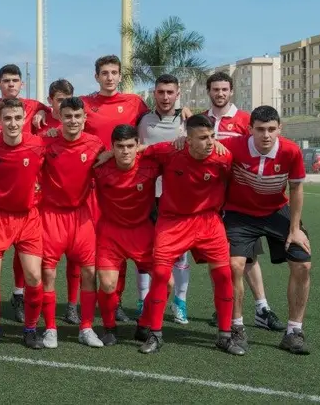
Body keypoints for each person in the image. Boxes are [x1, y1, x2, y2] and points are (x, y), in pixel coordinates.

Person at [138, 114, 244, 355]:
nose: (209, 142)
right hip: (172, 221)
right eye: (203, 137)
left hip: (208, 221)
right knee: (161, 275)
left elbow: (229, 181)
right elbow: (139, 151)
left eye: (212, 136)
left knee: (224, 276)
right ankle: (155, 333)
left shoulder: (223, 156)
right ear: (187, 139)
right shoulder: (169, 151)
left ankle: (225, 335)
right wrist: (111, 153)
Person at [218, 106, 311, 354]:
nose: (266, 135)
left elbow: (296, 190)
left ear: (280, 129)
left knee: (303, 264)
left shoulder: (291, 150)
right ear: (250, 130)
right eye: (260, 129)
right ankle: (236, 329)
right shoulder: (233, 146)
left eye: (271, 129)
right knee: (234, 264)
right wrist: (184, 137)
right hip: (239, 213)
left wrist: (294, 229)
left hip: (276, 210)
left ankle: (293, 332)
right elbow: (202, 146)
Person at [203, 72, 283, 332]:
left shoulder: (245, 120)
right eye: (215, 89)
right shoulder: (201, 120)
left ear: (232, 91)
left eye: (224, 89)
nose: (220, 93)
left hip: (240, 201)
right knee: (219, 257)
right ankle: (222, 306)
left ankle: (262, 307)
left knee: (248, 257)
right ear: (209, 92)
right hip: (210, 200)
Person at [0, 64, 50, 323]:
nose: (13, 123)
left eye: (18, 118)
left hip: (28, 217)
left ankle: (30, 329)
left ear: (25, 119)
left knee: (34, 277)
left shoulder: (38, 144)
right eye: (7, 119)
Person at [78, 55, 150, 323]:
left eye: (114, 72)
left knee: (117, 244)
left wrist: (185, 113)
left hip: (123, 184)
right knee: (93, 246)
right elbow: (58, 114)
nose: (109, 77)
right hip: (91, 183)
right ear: (96, 76)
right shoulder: (86, 104)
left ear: (120, 76)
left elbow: (156, 123)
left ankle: (115, 301)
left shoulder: (134, 103)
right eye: (104, 73)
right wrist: (40, 111)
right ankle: (81, 302)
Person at [39, 97, 104, 349]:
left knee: (89, 272)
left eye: (78, 116)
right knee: (48, 273)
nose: (73, 121)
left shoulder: (95, 144)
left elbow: (112, 159)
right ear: (60, 117)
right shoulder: (46, 141)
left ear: (84, 118)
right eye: (68, 116)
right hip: (51, 216)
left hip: (82, 216)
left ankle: (86, 327)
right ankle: (50, 328)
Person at [93, 124, 160, 346]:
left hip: (142, 231)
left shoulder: (150, 166)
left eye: (130, 146)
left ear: (137, 146)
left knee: (165, 282)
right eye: (119, 146)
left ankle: (144, 324)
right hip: (110, 233)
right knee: (107, 284)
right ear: (112, 147)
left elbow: (174, 152)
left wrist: (147, 149)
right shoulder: (99, 167)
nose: (125, 151)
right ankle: (109, 327)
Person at [136, 74, 189, 324]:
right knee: (146, 249)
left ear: (178, 93)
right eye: (161, 92)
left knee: (180, 253)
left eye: (170, 92)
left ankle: (180, 302)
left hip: (179, 195)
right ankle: (143, 299)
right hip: (147, 194)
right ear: (154, 94)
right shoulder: (142, 119)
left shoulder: (188, 119)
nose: (165, 97)